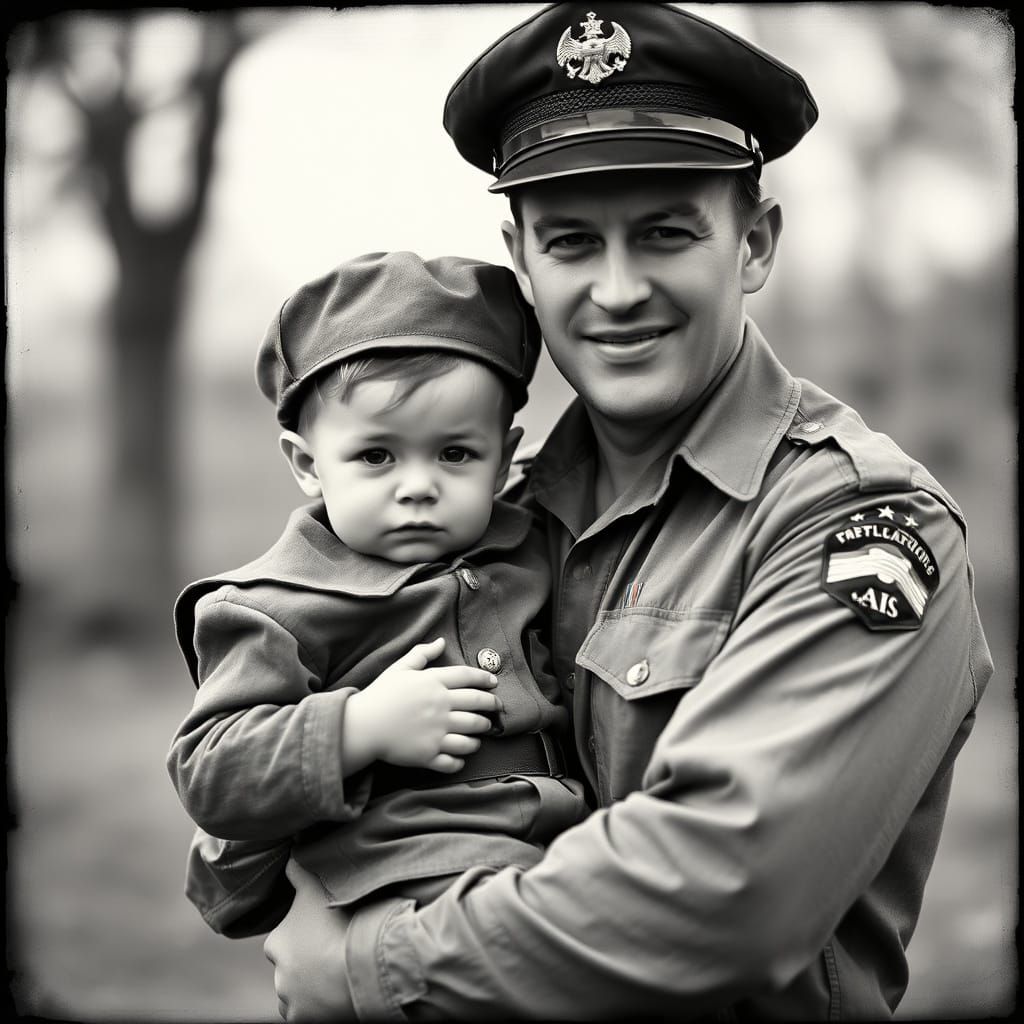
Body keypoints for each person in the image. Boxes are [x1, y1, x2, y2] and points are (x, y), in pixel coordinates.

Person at [262, 4, 994, 1020]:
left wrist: (370, 966)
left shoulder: (853, 522)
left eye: (664, 234)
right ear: (522, 259)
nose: (615, 291)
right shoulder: (491, 518)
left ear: (753, 243)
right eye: (571, 242)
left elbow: (731, 894)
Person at [167, 251, 588, 942]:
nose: (418, 486)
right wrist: (359, 727)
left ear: (502, 458)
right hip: (402, 877)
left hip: (563, 845)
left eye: (456, 454)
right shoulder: (273, 607)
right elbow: (210, 771)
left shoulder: (531, 542)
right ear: (308, 464)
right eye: (376, 456)